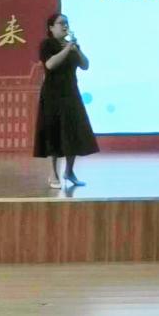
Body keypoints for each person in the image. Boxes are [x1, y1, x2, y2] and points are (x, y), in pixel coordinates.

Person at [33, 13, 99, 188]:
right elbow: (50, 65)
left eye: (67, 23)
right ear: (51, 28)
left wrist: (77, 49)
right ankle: (53, 174)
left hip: (71, 93)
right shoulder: (47, 44)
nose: (65, 26)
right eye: (61, 23)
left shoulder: (71, 46)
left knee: (73, 132)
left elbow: (85, 65)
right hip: (53, 95)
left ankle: (69, 171)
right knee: (54, 132)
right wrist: (67, 49)